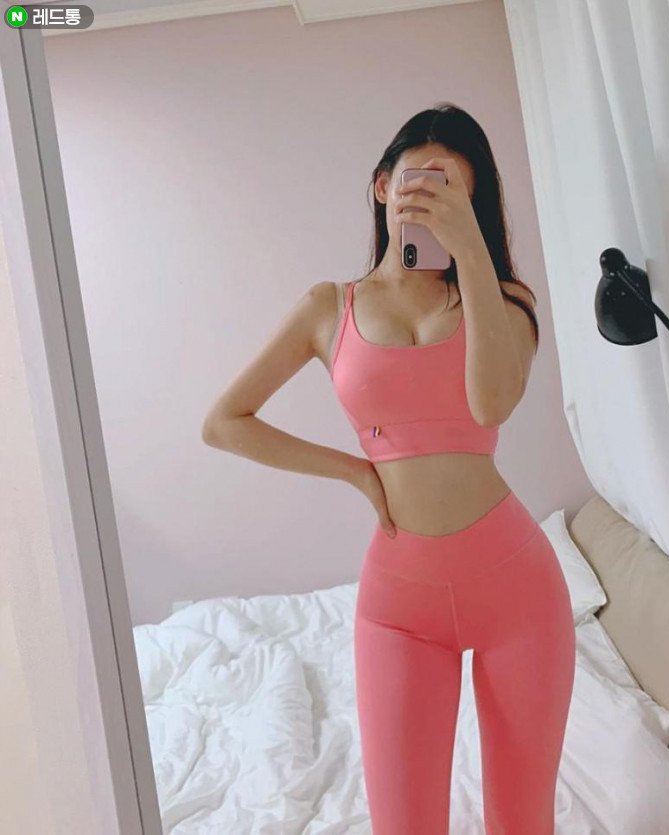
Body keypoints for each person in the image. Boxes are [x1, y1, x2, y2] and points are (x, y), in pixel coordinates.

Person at [202, 103, 576, 835]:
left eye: (453, 189)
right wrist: (354, 471)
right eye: (418, 181)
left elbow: (490, 402)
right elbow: (224, 421)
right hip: (401, 606)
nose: (432, 199)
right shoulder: (328, 307)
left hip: (519, 594)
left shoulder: (506, 301)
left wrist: (471, 253)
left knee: (522, 823)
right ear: (382, 186)